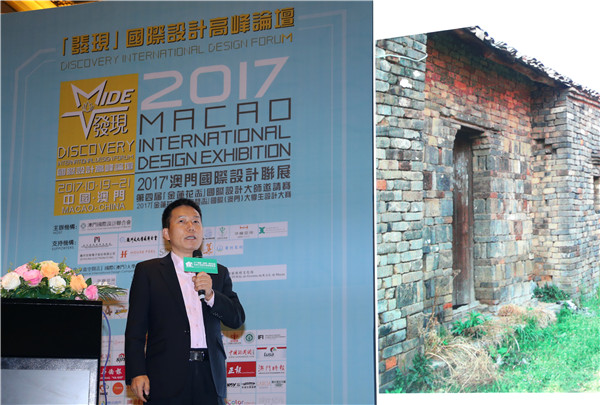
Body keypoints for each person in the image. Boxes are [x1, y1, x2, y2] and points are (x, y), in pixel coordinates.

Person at [125, 198, 245, 404]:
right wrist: (137, 372)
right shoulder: (149, 271)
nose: (191, 226)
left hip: (210, 376)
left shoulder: (218, 272)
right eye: (182, 221)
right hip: (165, 376)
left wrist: (211, 295)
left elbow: (236, 319)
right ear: (166, 233)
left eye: (196, 221)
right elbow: (135, 329)